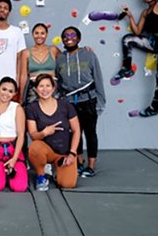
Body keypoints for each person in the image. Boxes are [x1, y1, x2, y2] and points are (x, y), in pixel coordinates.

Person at [55, 26, 105, 178]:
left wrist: (100, 103)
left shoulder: (89, 54)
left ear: (78, 38)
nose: (69, 37)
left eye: (72, 35)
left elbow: (98, 79)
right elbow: (58, 81)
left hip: (88, 100)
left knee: (90, 133)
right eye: (65, 35)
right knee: (74, 133)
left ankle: (91, 165)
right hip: (69, 102)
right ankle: (79, 162)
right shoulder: (60, 58)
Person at [26, 74, 80, 191]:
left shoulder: (65, 105)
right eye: (41, 86)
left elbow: (76, 131)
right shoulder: (31, 108)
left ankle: (57, 169)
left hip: (64, 153)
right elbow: (33, 134)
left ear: (53, 88)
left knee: (68, 184)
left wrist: (72, 153)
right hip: (46, 150)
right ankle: (41, 175)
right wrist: (45, 132)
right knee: (34, 148)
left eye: (47, 86)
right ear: (35, 89)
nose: (44, 89)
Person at [21, 23, 61, 104]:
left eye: (42, 33)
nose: (39, 36)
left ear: (46, 35)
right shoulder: (26, 52)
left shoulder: (53, 50)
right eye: (36, 33)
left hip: (52, 87)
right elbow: (23, 76)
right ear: (32, 35)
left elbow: (67, 59)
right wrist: (21, 96)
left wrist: (82, 50)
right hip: (33, 88)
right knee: (33, 113)